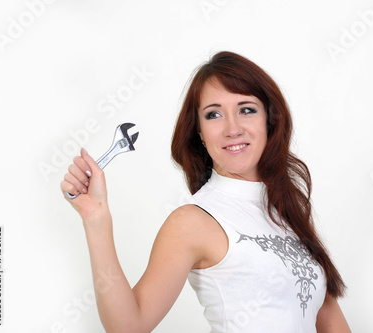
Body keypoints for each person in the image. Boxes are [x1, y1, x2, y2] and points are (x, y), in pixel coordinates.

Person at [61, 51, 351, 333]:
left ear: (269, 121)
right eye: (214, 115)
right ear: (199, 132)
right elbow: (127, 328)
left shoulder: (287, 213)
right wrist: (96, 219)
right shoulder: (192, 221)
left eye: (246, 109)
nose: (232, 128)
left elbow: (329, 320)